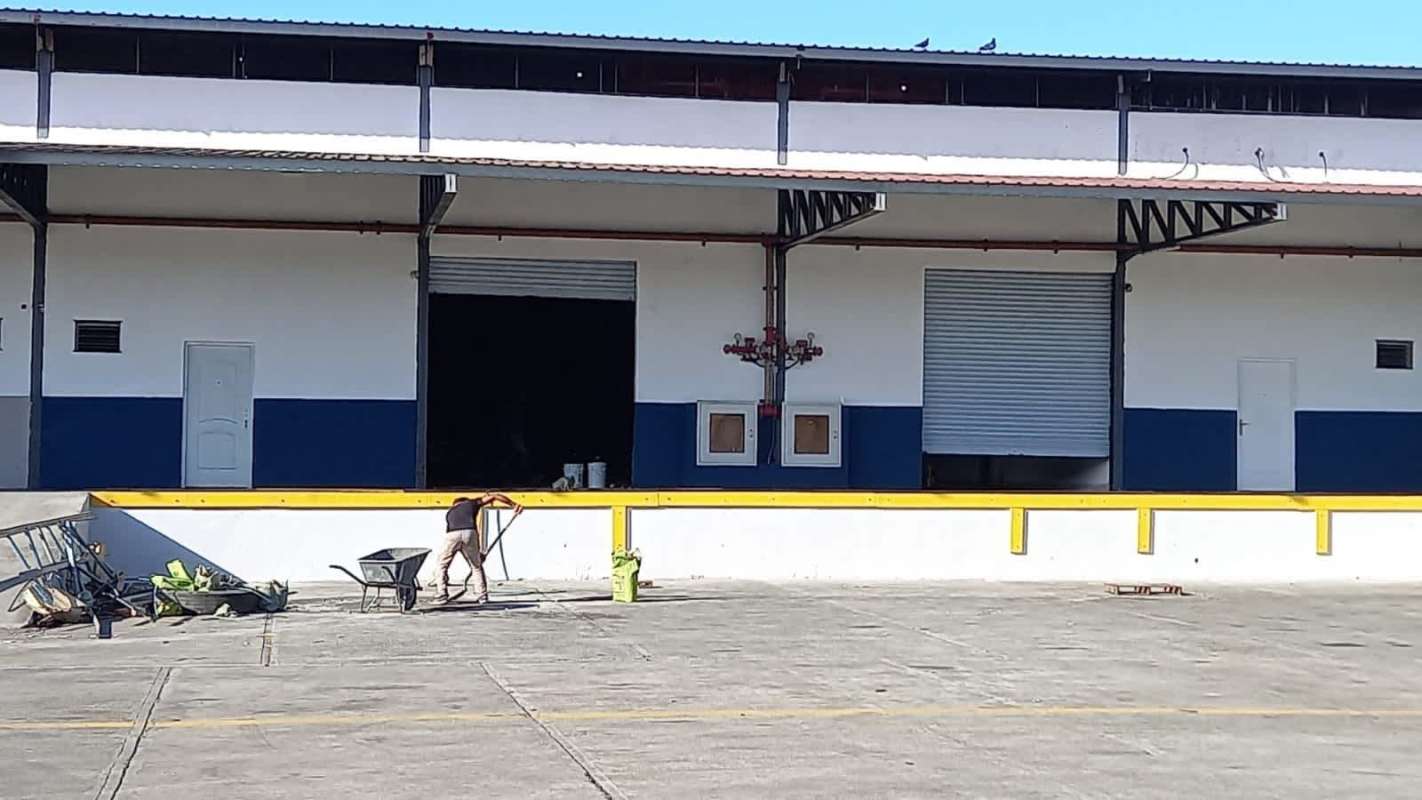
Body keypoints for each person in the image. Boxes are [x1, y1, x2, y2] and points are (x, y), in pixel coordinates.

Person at [436, 492, 522, 604]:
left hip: (452, 534)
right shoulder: (471, 503)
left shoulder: (450, 512)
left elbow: (455, 537)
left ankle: (442, 593)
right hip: (470, 532)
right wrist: (514, 504)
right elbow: (495, 495)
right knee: (476, 566)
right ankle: (482, 596)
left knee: (442, 565)